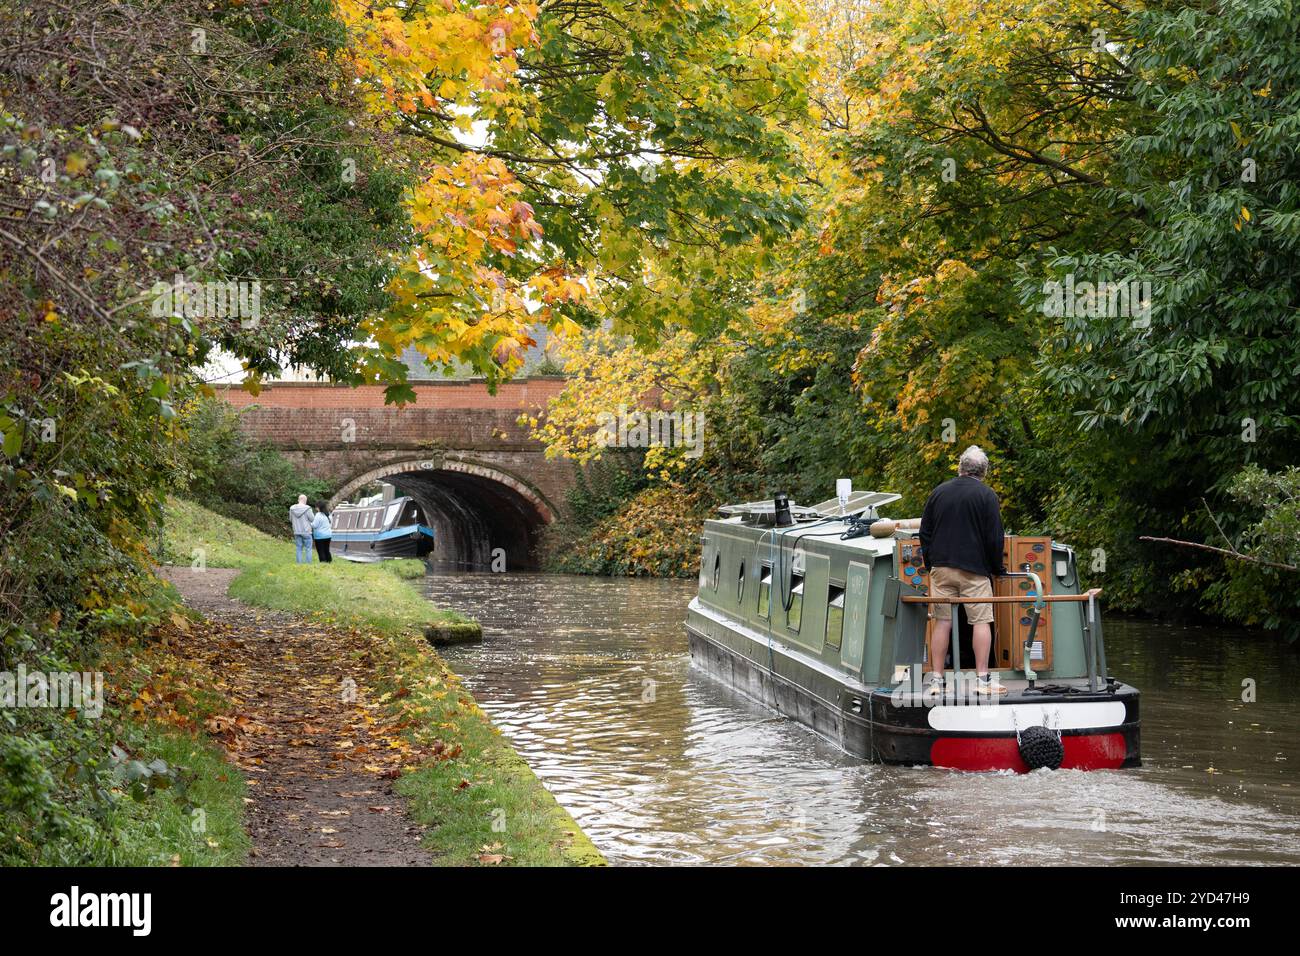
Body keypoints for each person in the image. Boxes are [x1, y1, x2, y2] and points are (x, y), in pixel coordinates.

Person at [919, 445, 1007, 698]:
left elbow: (925, 532)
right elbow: (994, 538)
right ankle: (982, 678)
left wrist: (930, 564)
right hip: (974, 571)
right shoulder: (987, 496)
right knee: (981, 621)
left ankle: (936, 680)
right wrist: (996, 568)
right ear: (984, 471)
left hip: (941, 568)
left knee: (942, 622)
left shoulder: (938, 492)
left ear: (960, 467)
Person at [289, 494, 314, 564]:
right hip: (306, 531)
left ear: (298, 500)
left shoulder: (292, 509)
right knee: (308, 548)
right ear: (305, 500)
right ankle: (308, 564)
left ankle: (299, 564)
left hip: (297, 531)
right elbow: (312, 519)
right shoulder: (308, 508)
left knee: (298, 548)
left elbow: (290, 519)